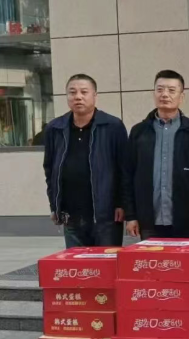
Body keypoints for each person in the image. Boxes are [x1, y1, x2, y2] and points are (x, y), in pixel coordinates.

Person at [43, 74, 127, 248]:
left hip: (106, 216)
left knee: (106, 262)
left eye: (84, 92)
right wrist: (54, 205)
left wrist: (122, 203)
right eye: (72, 92)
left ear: (95, 95)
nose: (78, 97)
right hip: (71, 215)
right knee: (77, 263)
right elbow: (50, 170)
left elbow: (124, 168)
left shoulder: (112, 126)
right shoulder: (55, 128)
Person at [121, 70, 189, 240]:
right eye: (160, 90)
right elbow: (127, 175)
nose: (165, 94)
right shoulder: (139, 132)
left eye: (171, 90)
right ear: (153, 94)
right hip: (148, 220)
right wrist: (131, 216)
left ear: (181, 97)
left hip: (186, 220)